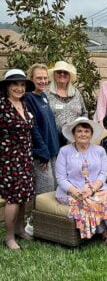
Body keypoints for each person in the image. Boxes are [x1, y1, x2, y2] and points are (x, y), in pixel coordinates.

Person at [55, 117, 107, 255]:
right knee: (91, 202)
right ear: (74, 134)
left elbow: (103, 173)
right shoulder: (64, 151)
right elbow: (60, 178)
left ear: (91, 134)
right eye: (79, 131)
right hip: (69, 192)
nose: (83, 134)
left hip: (96, 188)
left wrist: (91, 189)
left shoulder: (99, 150)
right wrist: (77, 192)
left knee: (106, 200)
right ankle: (105, 234)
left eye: (86, 131)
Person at [0, 69, 37, 250]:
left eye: (22, 85)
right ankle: (9, 237)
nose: (19, 88)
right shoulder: (2, 106)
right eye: (15, 84)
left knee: (24, 197)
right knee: (13, 198)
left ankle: (20, 229)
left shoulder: (24, 104)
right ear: (7, 87)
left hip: (25, 157)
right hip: (9, 160)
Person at [25, 64, 60, 194]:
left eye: (45, 78)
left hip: (52, 150)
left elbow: (49, 123)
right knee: (45, 188)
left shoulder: (43, 96)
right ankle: (35, 214)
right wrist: (42, 152)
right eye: (39, 78)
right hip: (41, 154)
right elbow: (32, 128)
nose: (43, 81)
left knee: (56, 185)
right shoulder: (28, 98)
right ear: (31, 79)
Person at [46, 61, 87, 146]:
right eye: (59, 72)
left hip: (74, 139)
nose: (62, 74)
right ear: (54, 75)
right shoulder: (46, 93)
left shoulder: (76, 93)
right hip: (53, 139)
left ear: (69, 76)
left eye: (65, 72)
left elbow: (84, 112)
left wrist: (82, 130)